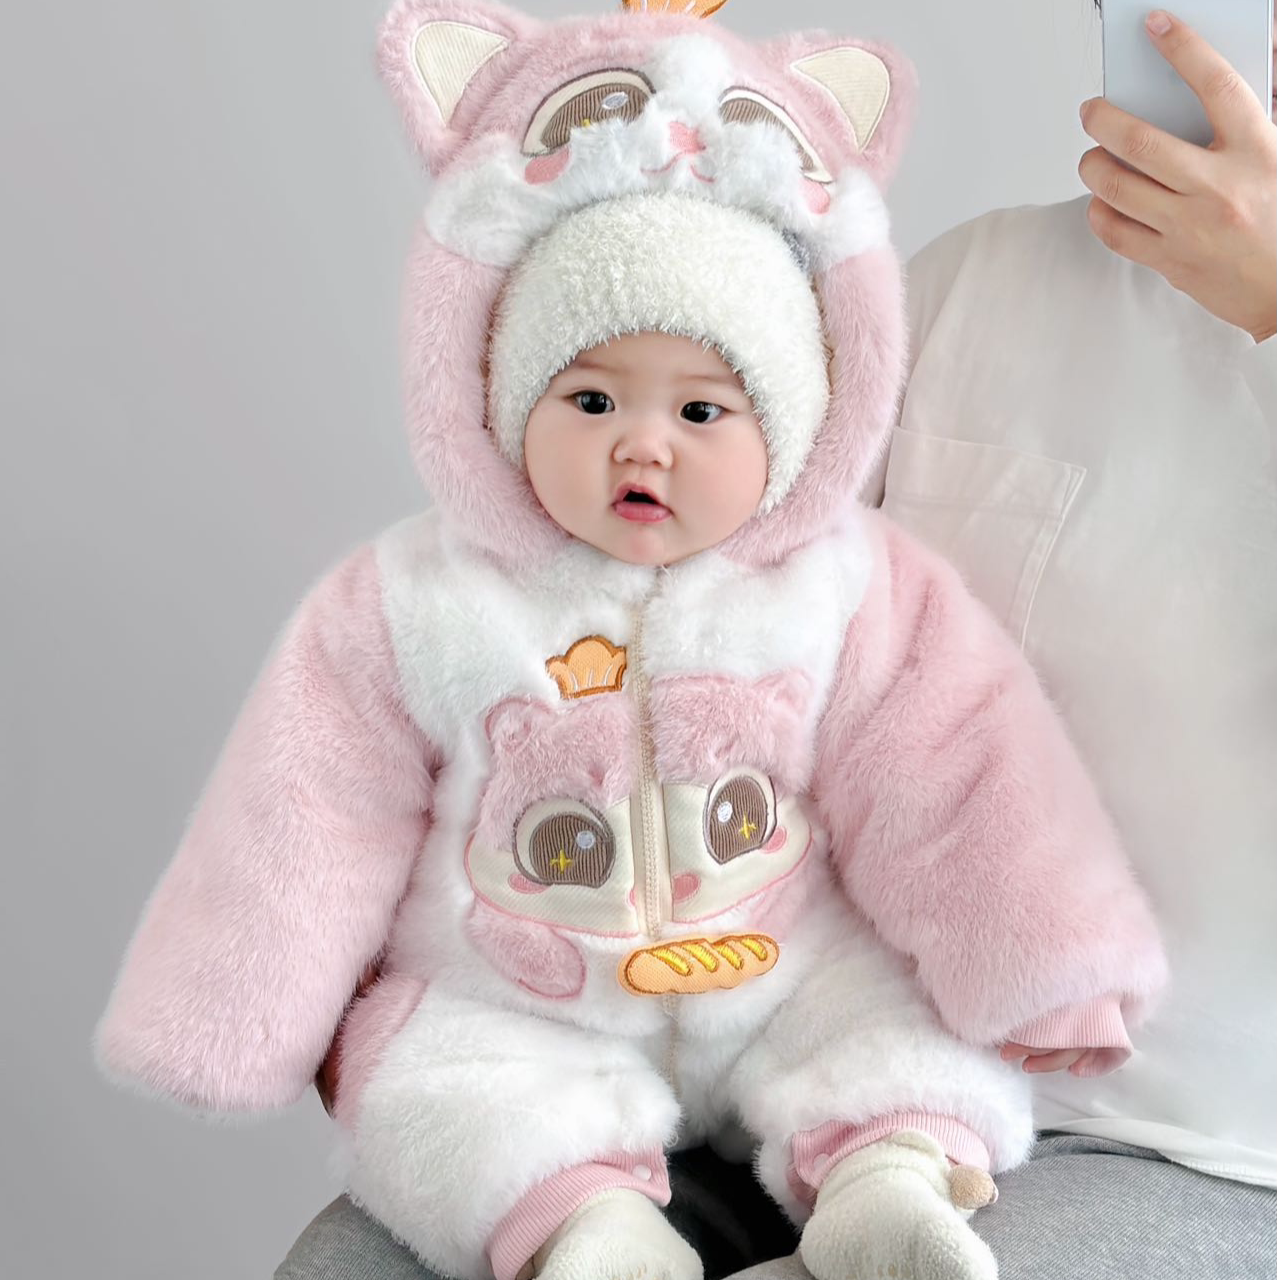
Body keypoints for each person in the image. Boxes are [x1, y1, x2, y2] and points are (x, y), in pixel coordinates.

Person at [93, 3, 1174, 1280]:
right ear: (498, 396)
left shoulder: (846, 588)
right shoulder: (418, 599)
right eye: (591, 397)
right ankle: (588, 1228)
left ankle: (884, 1184)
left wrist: (1049, 967)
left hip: (788, 975)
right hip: (530, 1000)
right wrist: (229, 1012)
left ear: (794, 426)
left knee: (903, 1034)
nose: (641, 444)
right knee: (433, 1084)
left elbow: (955, 774)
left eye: (702, 410)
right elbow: (307, 807)